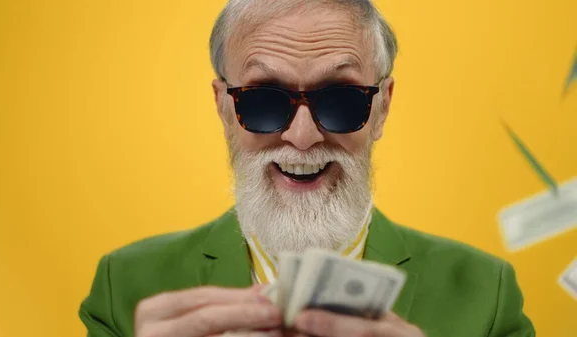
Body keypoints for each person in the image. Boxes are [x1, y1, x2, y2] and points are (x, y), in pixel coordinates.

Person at [80, 0, 536, 336]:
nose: (302, 137)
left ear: (381, 108)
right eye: (262, 100)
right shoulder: (125, 287)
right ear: (223, 108)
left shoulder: (486, 294)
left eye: (340, 99)